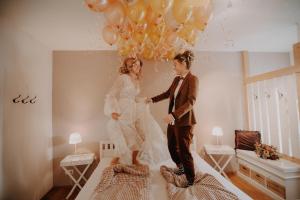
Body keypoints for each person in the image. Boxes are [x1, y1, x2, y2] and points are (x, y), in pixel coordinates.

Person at [146, 50, 199, 187]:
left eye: (175, 64)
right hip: (173, 120)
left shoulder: (193, 79)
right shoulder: (176, 79)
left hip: (185, 121)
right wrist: (152, 100)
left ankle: (190, 179)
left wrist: (174, 115)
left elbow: (191, 102)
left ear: (183, 64)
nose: (173, 67)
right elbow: (168, 93)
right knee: (170, 146)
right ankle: (180, 167)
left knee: (184, 149)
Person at [104, 57, 169, 166]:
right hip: (123, 109)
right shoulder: (123, 78)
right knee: (125, 135)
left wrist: (144, 100)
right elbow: (111, 94)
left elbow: (133, 98)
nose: (138, 67)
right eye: (136, 65)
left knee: (136, 135)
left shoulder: (136, 80)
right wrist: (111, 111)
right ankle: (114, 163)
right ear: (129, 67)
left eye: (139, 65)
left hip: (133, 110)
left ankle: (134, 161)